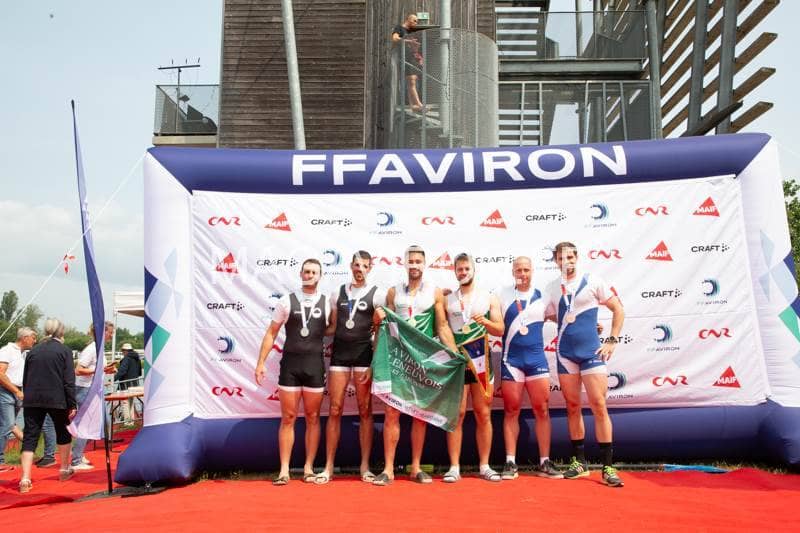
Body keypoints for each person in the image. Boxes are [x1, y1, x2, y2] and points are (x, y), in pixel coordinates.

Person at [372, 245, 455, 486]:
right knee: (391, 412)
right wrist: (376, 359)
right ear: (405, 264)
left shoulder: (435, 292)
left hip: (423, 360)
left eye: (418, 261)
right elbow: (383, 327)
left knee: (419, 415)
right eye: (411, 261)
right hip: (397, 360)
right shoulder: (393, 292)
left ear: (424, 264)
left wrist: (455, 354)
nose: (415, 265)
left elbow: (442, 327)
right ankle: (388, 469)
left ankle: (416, 467)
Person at [545, 242, 625, 487]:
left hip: (591, 352)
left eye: (570, 257)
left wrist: (611, 340)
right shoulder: (551, 287)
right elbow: (552, 315)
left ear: (576, 258)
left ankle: (608, 467)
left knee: (599, 405)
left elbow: (618, 309)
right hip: (565, 353)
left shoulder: (593, 280)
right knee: (572, 406)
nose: (566, 261)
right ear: (556, 261)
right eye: (561, 258)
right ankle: (579, 463)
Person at [255, 259, 332, 486]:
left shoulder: (327, 302)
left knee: (313, 418)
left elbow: (335, 327)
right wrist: (260, 363)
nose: (310, 275)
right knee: (288, 418)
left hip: (314, 367)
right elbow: (271, 332)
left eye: (314, 272)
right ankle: (284, 470)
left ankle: (308, 468)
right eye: (306, 271)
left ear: (320, 276)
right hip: (290, 366)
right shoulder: (286, 301)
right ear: (300, 274)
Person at [318, 251, 385, 484]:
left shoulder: (377, 295)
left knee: (365, 410)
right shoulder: (337, 292)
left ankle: (365, 467)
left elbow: (380, 332)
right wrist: (309, 331)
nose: (360, 269)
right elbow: (332, 327)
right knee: (335, 409)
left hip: (364, 355)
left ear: (370, 268)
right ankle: (328, 467)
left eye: (364, 266)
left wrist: (374, 362)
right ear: (350, 266)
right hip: (340, 356)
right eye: (357, 265)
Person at [495, 257, 562, 480]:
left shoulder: (543, 296)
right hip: (511, 361)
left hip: (536, 361)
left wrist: (589, 324)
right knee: (511, 410)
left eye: (526, 270)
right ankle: (510, 462)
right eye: (519, 270)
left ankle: (545, 462)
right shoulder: (502, 294)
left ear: (532, 271)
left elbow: (560, 317)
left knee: (542, 410)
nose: (522, 274)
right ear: (513, 271)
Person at [443, 253, 505, 483]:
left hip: (481, 360)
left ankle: (485, 466)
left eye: (466, 268)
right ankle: (454, 467)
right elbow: (441, 327)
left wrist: (486, 322)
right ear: (455, 272)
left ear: (473, 270)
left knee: (483, 413)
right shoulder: (448, 299)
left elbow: (500, 329)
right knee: (456, 415)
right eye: (459, 269)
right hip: (457, 362)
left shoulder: (488, 297)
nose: (463, 272)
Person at [18, 318, 77, 494]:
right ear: (61, 332)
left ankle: (25, 478)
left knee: (30, 437)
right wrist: (72, 403)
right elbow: (69, 381)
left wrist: (26, 397)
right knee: (63, 432)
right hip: (57, 398)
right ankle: (64, 469)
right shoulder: (64, 351)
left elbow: (26, 378)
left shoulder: (33, 351)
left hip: (32, 399)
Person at [71, 321, 115, 471]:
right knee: (88, 423)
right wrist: (100, 370)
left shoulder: (99, 348)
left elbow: (96, 369)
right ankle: (76, 459)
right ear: (103, 332)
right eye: (110, 332)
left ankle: (77, 451)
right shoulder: (91, 349)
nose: (112, 335)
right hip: (85, 389)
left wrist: (107, 370)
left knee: (103, 422)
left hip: (94, 389)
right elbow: (78, 370)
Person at [0, 327, 37, 472]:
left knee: (7, 425)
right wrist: (16, 391)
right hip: (6, 391)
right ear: (24, 338)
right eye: (33, 337)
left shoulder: (22, 354)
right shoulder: (7, 351)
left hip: (16, 391)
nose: (35, 340)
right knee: (7, 426)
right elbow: (1, 374)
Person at [391, 13, 425, 112]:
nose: (416, 23)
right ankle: (419, 104)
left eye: (417, 21)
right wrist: (408, 41)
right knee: (412, 81)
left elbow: (412, 47)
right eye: (414, 20)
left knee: (412, 80)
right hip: (404, 58)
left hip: (412, 58)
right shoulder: (399, 28)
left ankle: (413, 105)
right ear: (408, 19)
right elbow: (394, 38)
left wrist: (417, 53)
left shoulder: (410, 31)